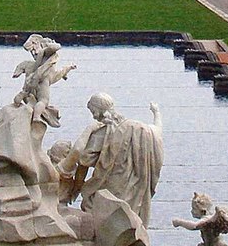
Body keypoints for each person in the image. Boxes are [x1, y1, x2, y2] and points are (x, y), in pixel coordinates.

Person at [57, 94, 163, 225]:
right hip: (134, 189)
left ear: (99, 110)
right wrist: (156, 113)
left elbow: (83, 163)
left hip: (110, 188)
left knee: (91, 205)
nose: (94, 117)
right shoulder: (139, 129)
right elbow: (157, 132)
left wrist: (77, 187)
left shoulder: (102, 132)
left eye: (93, 112)